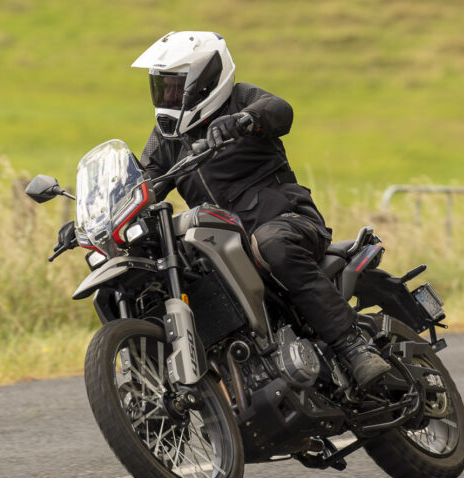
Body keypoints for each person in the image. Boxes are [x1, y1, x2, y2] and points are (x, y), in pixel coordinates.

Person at [132, 30, 391, 387]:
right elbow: (145, 181)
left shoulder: (241, 99)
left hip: (288, 220)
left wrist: (245, 120)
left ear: (205, 82)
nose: (169, 97)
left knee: (273, 244)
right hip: (223, 244)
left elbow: (279, 110)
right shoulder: (166, 139)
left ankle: (354, 346)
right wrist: (99, 216)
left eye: (177, 87)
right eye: (163, 87)